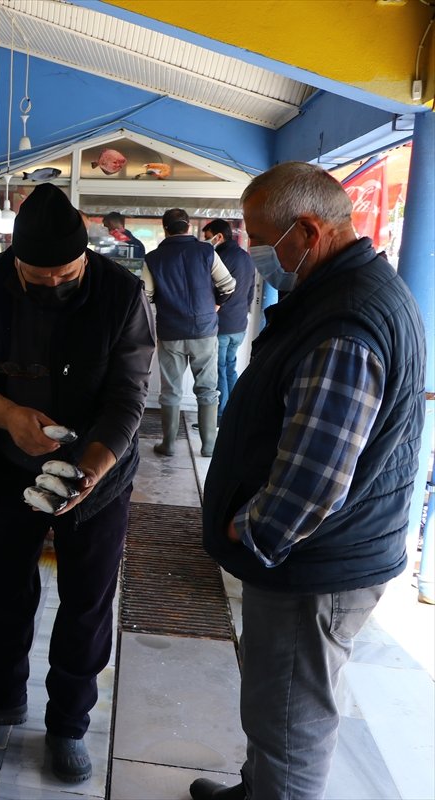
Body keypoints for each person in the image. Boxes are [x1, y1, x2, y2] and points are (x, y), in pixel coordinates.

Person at [190, 162, 425, 800]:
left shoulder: (344, 324)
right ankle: (254, 787)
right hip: (325, 553)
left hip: (313, 565)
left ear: (310, 232)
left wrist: (251, 527)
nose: (255, 254)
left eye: (263, 241)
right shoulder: (344, 293)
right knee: (276, 698)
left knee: (292, 721)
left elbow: (316, 478)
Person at [0, 184, 155, 784]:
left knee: (86, 601)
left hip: (99, 475)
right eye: (38, 278)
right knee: (7, 586)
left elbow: (128, 398)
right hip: (10, 464)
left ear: (85, 257)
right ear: (14, 260)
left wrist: (91, 467)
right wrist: (6, 415)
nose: (54, 286)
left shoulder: (121, 294)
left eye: (66, 274)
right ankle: (0, 694)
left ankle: (68, 724)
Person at [142, 208, 236, 457]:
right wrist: (214, 306)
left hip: (171, 331)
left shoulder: (153, 258)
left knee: (171, 390)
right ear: (188, 226)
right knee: (207, 389)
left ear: (165, 228)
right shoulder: (206, 251)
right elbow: (228, 285)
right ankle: (208, 445)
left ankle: (169, 444)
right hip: (204, 331)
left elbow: (147, 295)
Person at [202, 219, 256, 422]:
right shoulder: (246, 257)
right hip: (239, 324)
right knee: (230, 367)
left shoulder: (218, 257)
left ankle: (220, 413)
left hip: (222, 324)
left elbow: (212, 291)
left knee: (219, 369)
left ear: (219, 236)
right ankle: (233, 411)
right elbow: (250, 293)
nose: (206, 241)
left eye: (208, 237)